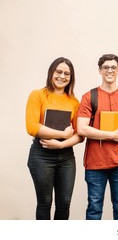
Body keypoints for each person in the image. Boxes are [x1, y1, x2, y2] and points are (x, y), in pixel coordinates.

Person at [77, 54, 118, 220]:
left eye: (113, 67)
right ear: (100, 70)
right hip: (95, 163)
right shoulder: (90, 97)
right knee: (94, 208)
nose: (109, 70)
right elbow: (81, 129)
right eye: (105, 67)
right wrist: (110, 135)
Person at [25, 57, 83, 220]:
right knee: (45, 202)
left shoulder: (74, 102)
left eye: (67, 74)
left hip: (66, 157)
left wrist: (60, 144)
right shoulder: (38, 95)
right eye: (59, 71)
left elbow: (79, 135)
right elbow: (32, 127)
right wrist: (63, 134)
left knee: (64, 203)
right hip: (41, 156)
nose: (62, 76)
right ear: (51, 72)